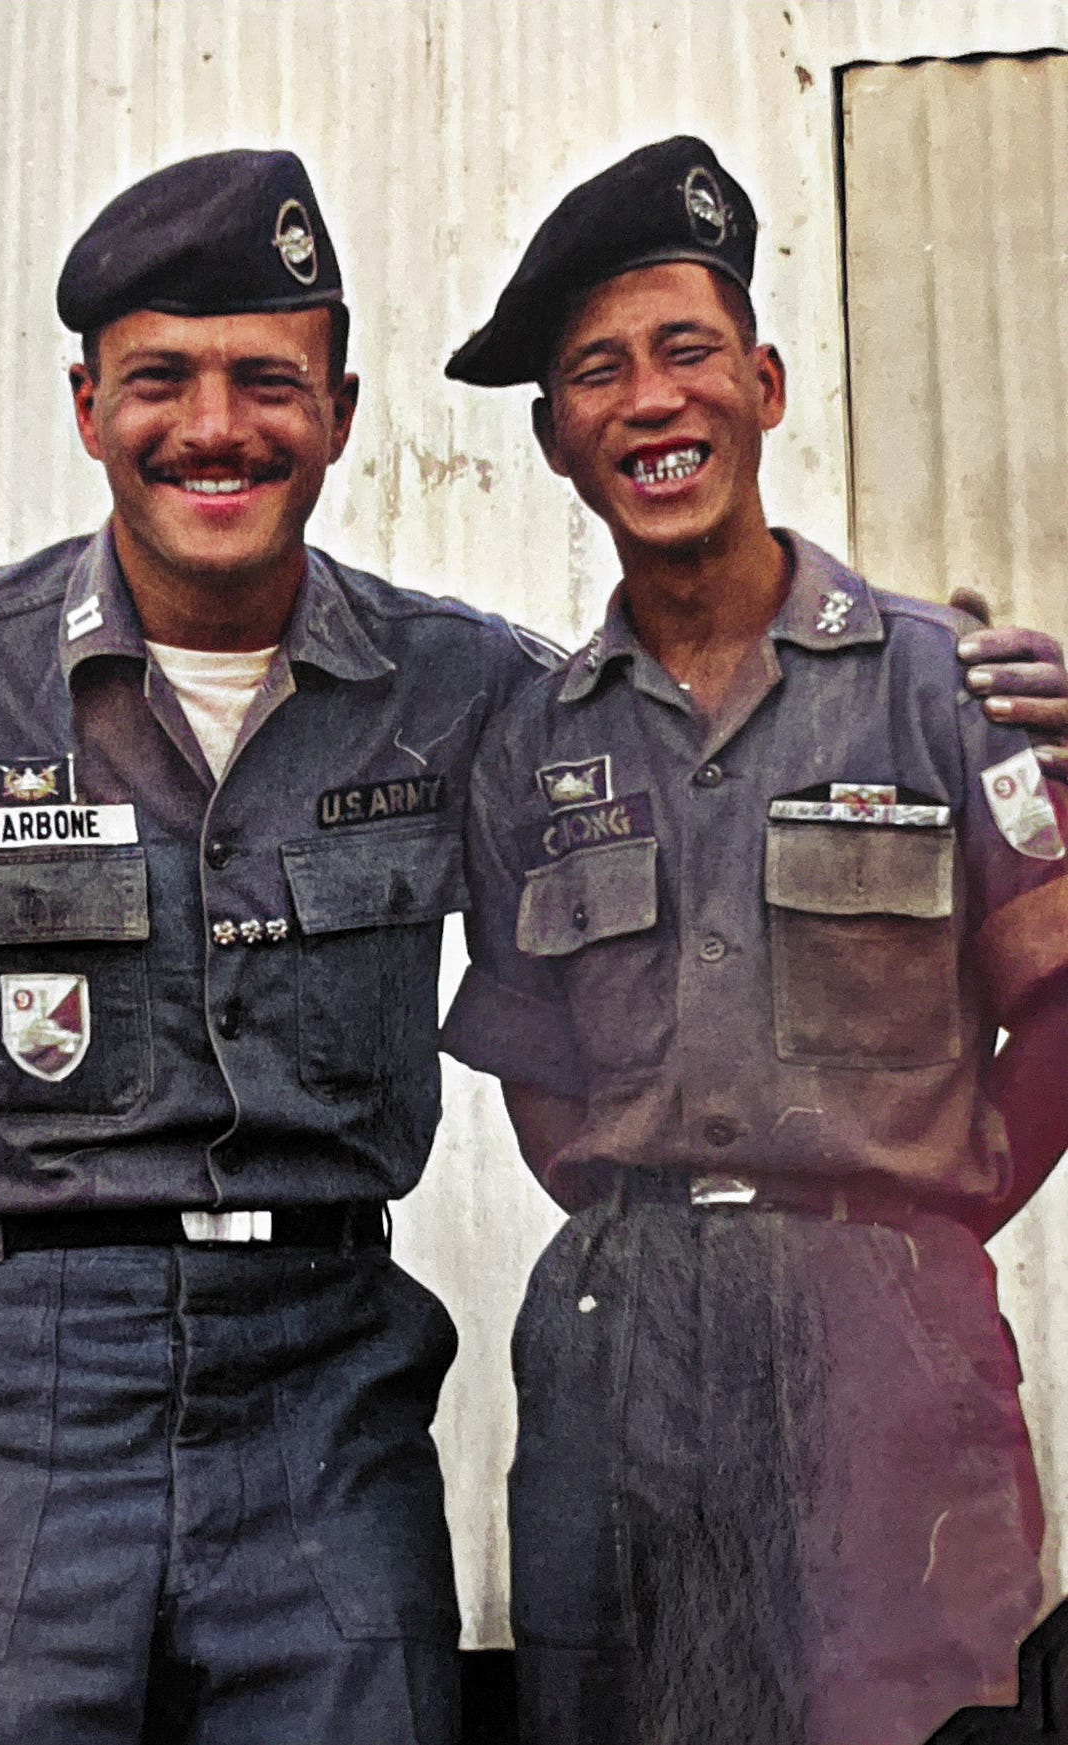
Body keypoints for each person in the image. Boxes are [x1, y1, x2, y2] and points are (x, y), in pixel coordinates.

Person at [0, 143, 1059, 1745]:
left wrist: (983, 713)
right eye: (160, 378)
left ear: (336, 410)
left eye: (267, 378)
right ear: (83, 406)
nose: (214, 426)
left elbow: (730, 776)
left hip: (320, 1414)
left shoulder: (474, 695)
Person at [440, 136, 1068, 1745]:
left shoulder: (946, 686)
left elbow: (1059, 1003)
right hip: (620, 1330)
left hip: (889, 1322)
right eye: (598, 373)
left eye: (687, 350)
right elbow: (536, 1070)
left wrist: (922, 1214)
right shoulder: (531, 741)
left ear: (766, 384)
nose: (652, 402)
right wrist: (669, 1224)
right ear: (557, 437)